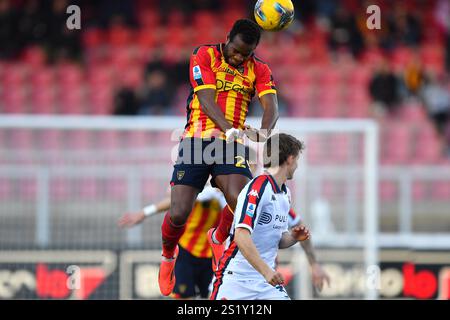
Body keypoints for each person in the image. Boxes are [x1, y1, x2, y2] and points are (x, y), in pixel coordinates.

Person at [158, 18, 279, 296]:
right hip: (197, 140)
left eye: (244, 54)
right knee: (178, 213)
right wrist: (230, 129)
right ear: (227, 39)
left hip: (230, 146)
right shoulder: (204, 55)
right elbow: (206, 100)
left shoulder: (260, 69)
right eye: (235, 50)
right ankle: (167, 255)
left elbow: (271, 106)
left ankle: (219, 235)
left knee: (243, 201)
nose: (238, 57)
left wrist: (263, 133)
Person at [210, 133, 311, 300]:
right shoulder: (258, 188)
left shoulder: (285, 194)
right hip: (237, 281)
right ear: (290, 159)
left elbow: (276, 239)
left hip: (266, 284)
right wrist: (266, 271)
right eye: (297, 160)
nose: (297, 166)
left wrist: (293, 237)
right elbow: (241, 236)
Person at [118, 185, 226, 299]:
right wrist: (144, 212)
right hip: (186, 250)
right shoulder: (196, 178)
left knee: (214, 296)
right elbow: (173, 199)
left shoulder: (226, 180)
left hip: (213, 254)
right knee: (183, 297)